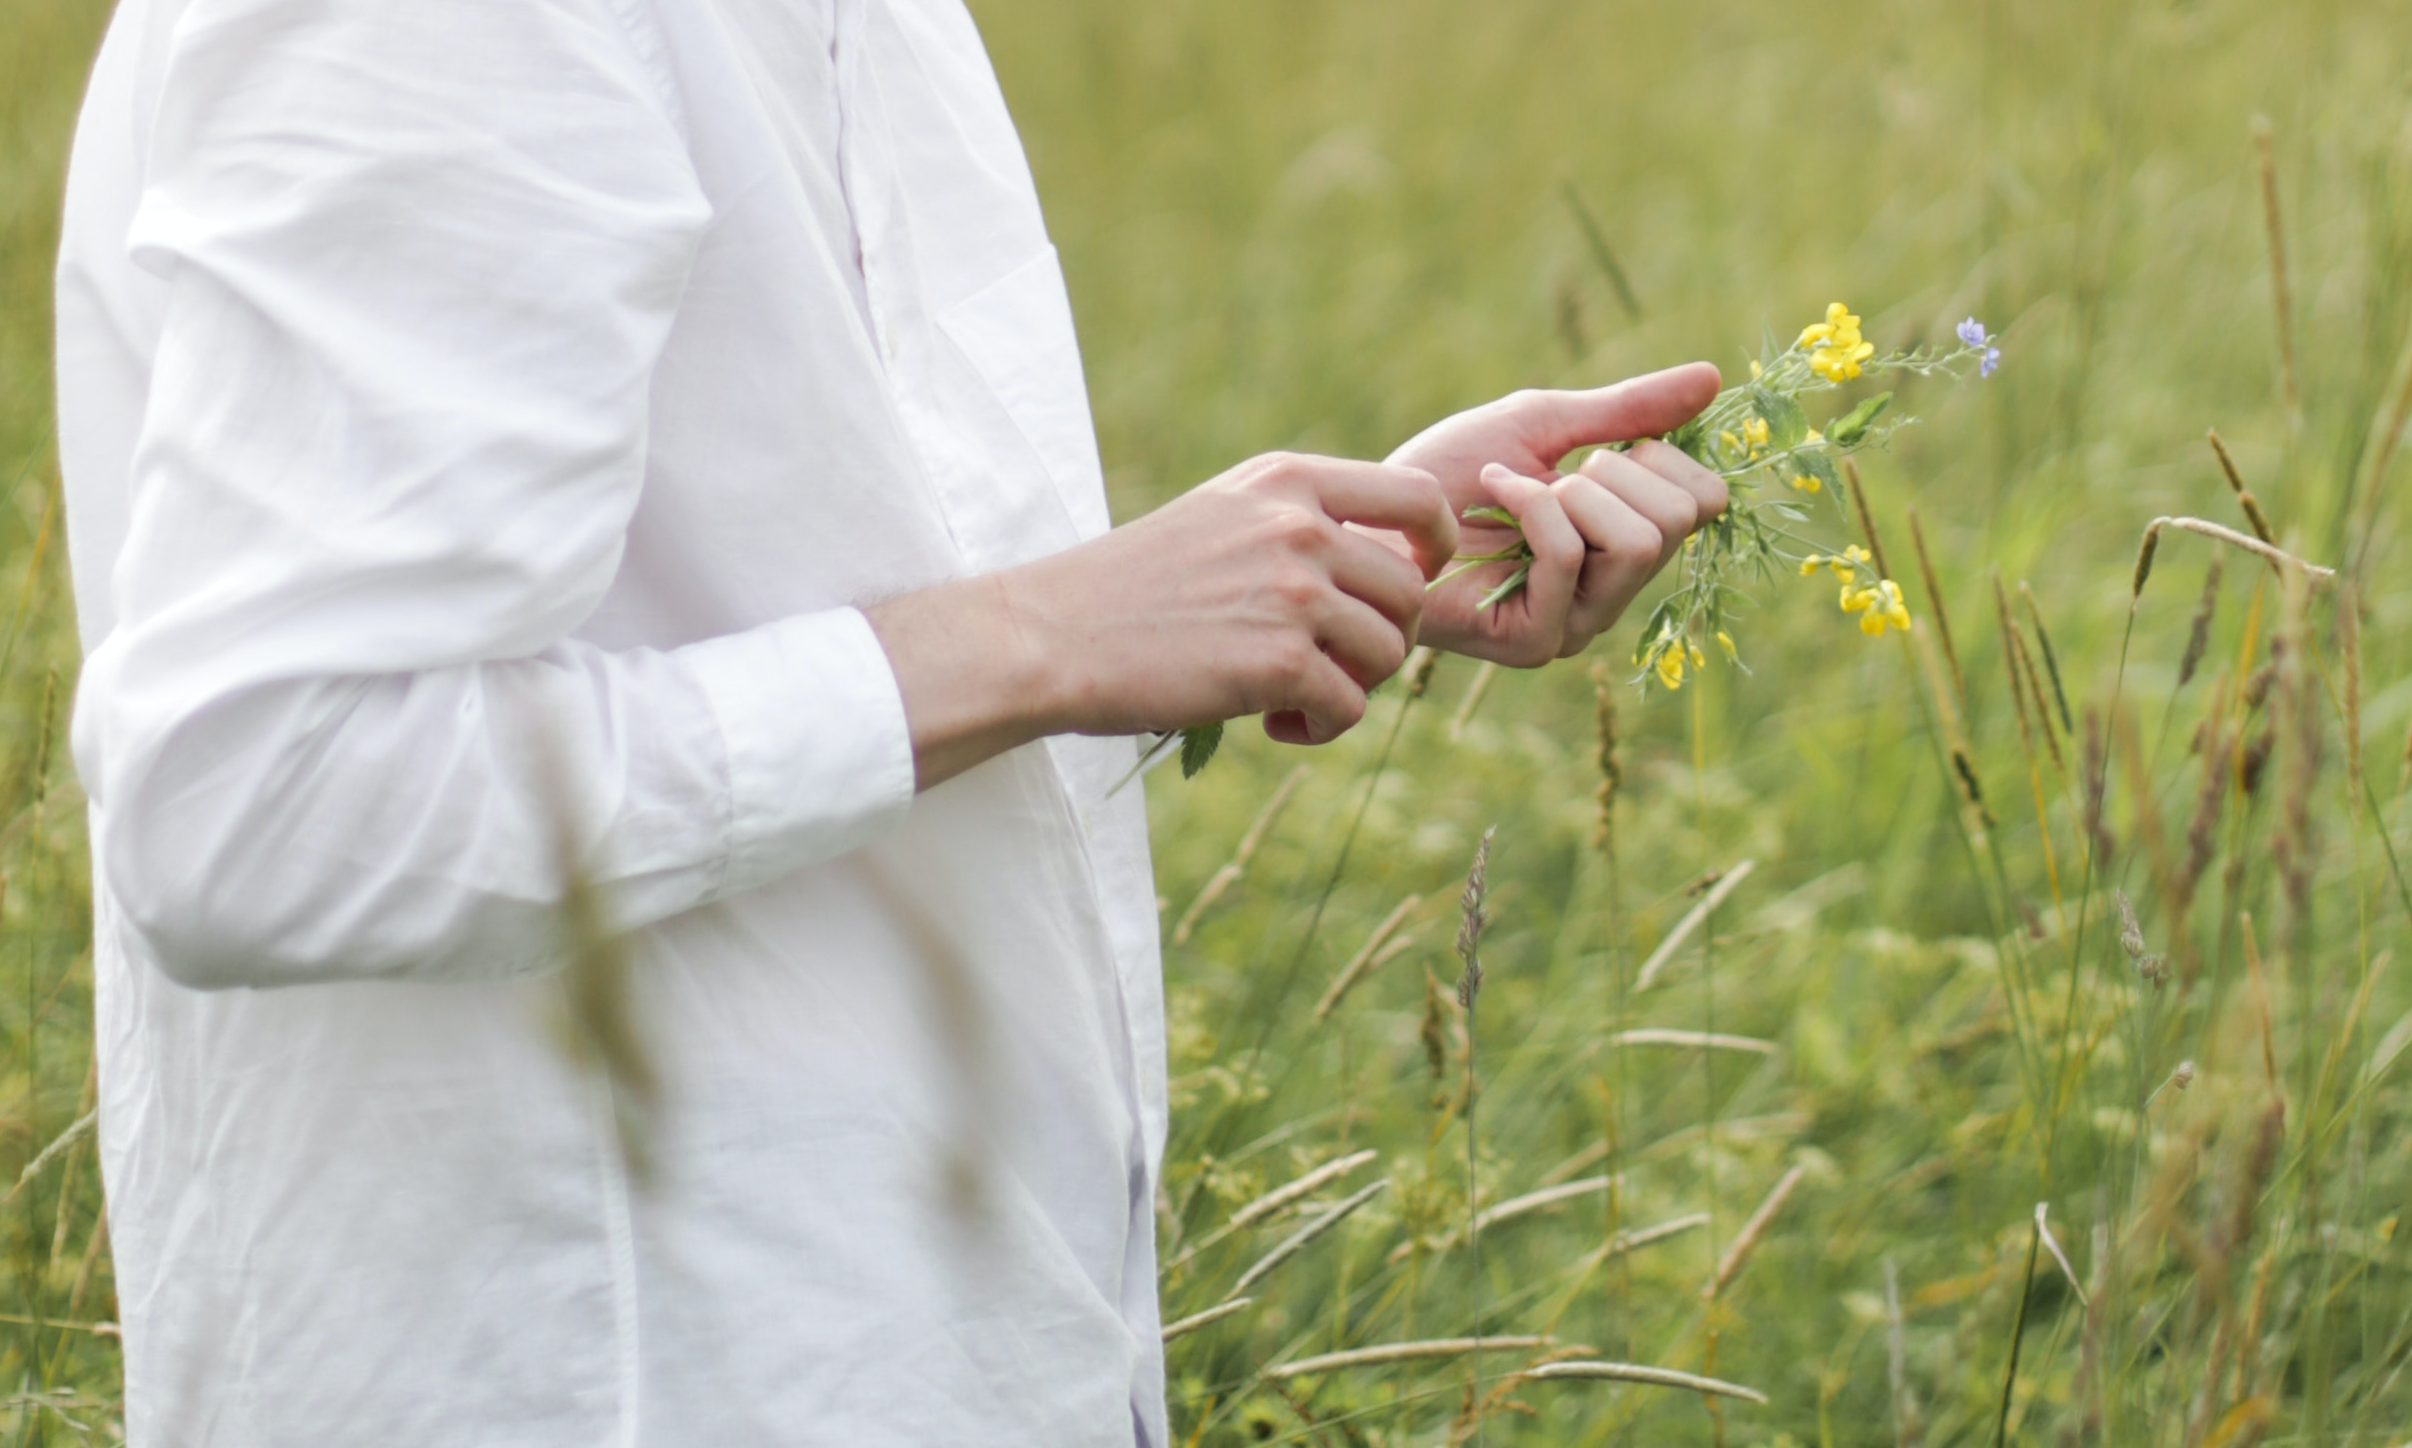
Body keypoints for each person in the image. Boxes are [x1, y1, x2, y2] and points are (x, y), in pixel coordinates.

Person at [50, 0, 1726, 1443]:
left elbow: (787, 619)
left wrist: (1279, 580)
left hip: (932, 1328)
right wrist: (1050, 633)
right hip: (628, 1367)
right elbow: (257, 808)